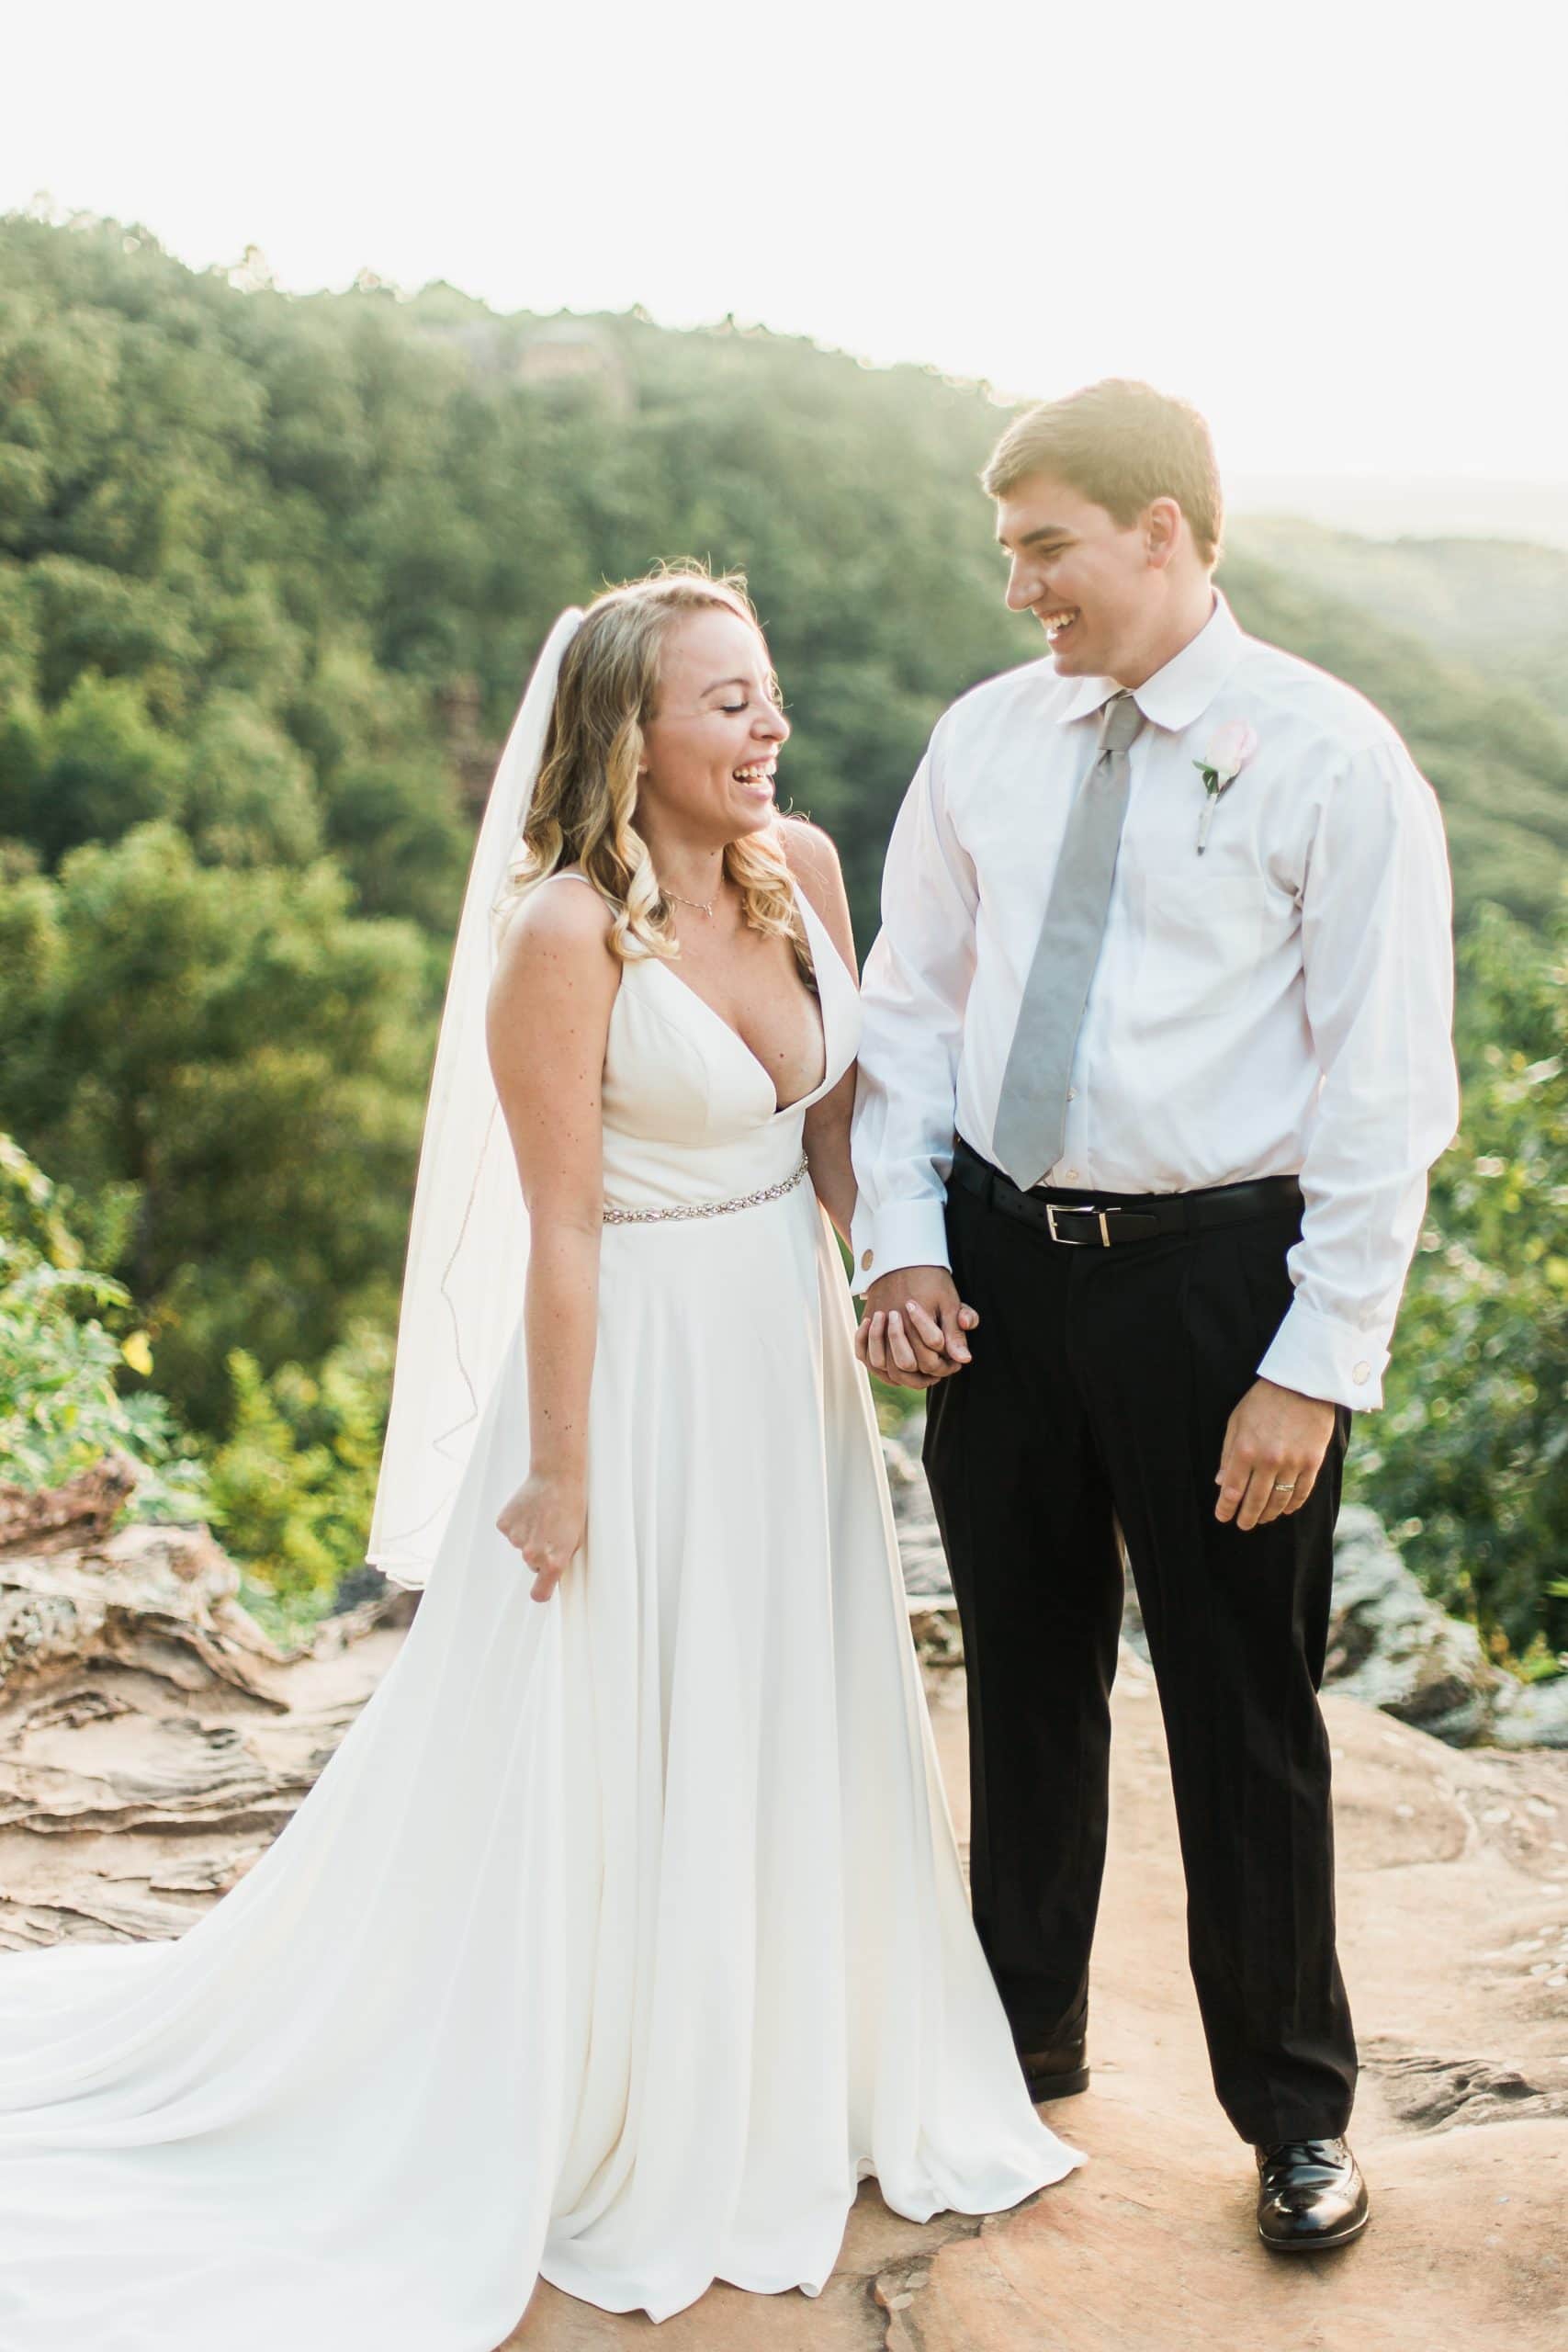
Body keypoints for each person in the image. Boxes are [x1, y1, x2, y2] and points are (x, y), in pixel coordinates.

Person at [0, 567, 1078, 2350]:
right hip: (634, 1363)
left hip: (779, 1355)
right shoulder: (562, 935)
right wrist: (559, 1470)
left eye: (766, 692)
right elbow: (560, 1230)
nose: (764, 726)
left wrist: (882, 1273)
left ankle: (780, 2051)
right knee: (616, 1721)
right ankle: (612, 2077)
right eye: (722, 702)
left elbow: (834, 1118)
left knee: (777, 1696)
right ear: (625, 733)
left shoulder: (800, 869)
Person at [850, 381, 1460, 2254]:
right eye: (1010, 549)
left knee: (1238, 1704)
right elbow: (906, 1011)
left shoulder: (1329, 760)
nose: (1020, 584)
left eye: (1047, 544)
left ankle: (1289, 2115)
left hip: (1219, 1288)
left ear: (1167, 530)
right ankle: (1013, 2058)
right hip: (998, 1269)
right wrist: (899, 1238)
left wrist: (1308, 1363)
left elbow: (1382, 1093)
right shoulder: (982, 741)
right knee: (1021, 1676)